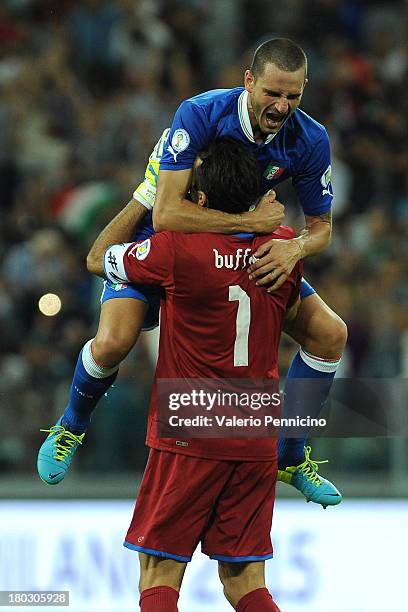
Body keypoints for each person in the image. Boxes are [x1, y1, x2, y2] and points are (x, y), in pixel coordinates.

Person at [38, 37, 345, 508]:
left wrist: (294, 248)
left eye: (294, 96)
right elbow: (166, 214)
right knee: (115, 343)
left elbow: (322, 228)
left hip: (237, 251)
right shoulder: (201, 114)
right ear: (249, 82)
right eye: (272, 94)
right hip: (169, 245)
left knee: (330, 335)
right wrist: (252, 223)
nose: (282, 107)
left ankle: (290, 453)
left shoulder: (309, 138)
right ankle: (71, 426)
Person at [101, 138, 303, 612]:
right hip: (255, 428)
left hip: (191, 424)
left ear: (201, 201)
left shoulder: (176, 248)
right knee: (245, 582)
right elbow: (292, 310)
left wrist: (147, 197)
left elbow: (99, 257)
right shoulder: (284, 249)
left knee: (159, 572)